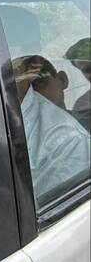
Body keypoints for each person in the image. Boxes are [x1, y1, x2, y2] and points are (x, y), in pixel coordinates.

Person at [12, 55, 91, 201]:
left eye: (41, 81)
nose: (40, 94)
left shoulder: (66, 138)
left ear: (63, 80)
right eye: (33, 85)